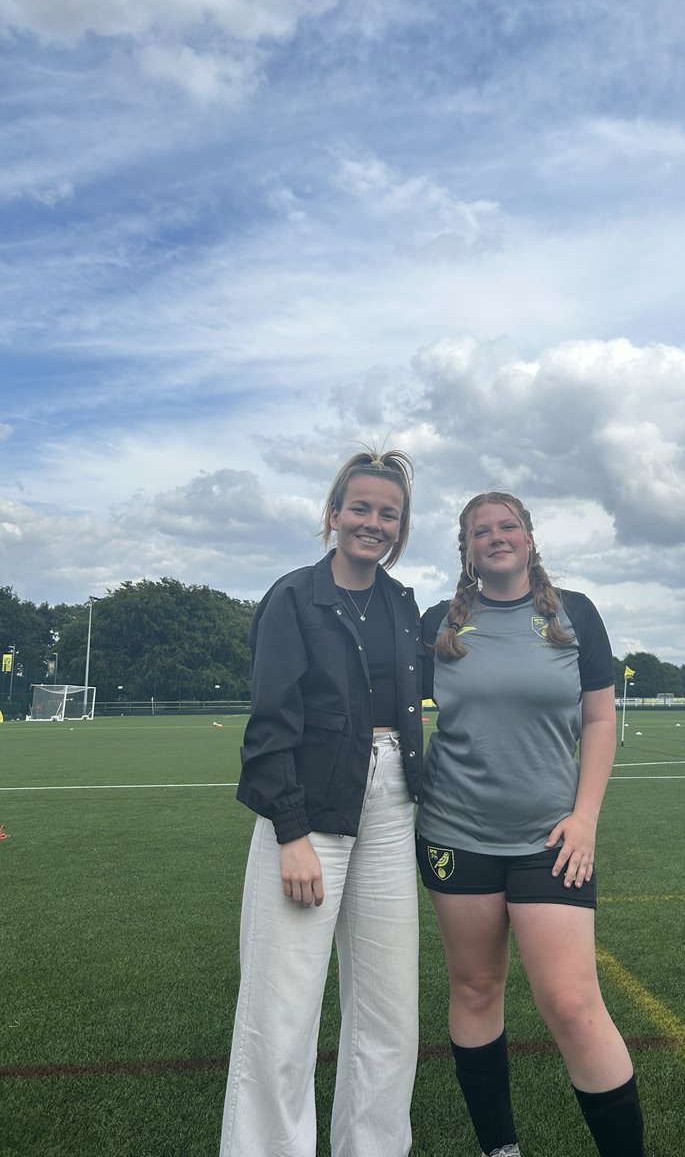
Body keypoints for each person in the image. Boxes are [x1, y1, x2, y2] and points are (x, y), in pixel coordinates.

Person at [416, 492, 644, 1157]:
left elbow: (600, 719)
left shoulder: (575, 614)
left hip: (553, 839)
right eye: (479, 531)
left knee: (573, 1005)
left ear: (529, 537)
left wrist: (585, 817)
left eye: (506, 525)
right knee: (477, 987)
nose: (494, 537)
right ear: (465, 549)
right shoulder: (438, 624)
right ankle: (501, 1149)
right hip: (455, 835)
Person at [220, 448, 423, 1157]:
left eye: (388, 513)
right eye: (360, 508)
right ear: (333, 514)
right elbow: (271, 724)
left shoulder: (403, 604)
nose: (373, 522)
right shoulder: (294, 596)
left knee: (389, 1016)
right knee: (280, 1014)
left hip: (393, 804)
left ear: (400, 527)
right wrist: (291, 832)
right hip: (311, 809)